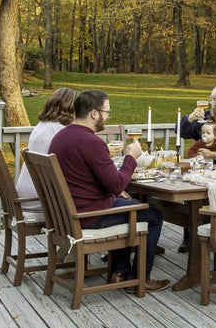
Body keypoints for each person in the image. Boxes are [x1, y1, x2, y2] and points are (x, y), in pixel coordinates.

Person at [48, 89, 170, 292]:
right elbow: (116, 185)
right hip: (89, 216)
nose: (106, 117)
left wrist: (115, 192)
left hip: (70, 213)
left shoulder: (61, 136)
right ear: (94, 113)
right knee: (154, 215)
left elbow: (90, 179)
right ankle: (140, 278)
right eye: (107, 112)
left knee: (128, 206)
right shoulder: (91, 141)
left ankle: (119, 273)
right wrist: (131, 157)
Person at [177, 85, 216, 252]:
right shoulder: (202, 118)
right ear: (210, 101)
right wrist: (189, 118)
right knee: (191, 195)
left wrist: (215, 156)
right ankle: (190, 237)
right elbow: (181, 132)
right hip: (201, 172)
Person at [15, 88, 78, 211]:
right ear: (71, 108)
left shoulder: (42, 125)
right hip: (41, 198)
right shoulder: (60, 132)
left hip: (28, 191)